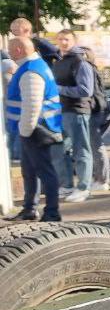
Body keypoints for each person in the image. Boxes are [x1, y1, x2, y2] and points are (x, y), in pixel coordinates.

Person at [5, 36, 62, 222]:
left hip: (35, 130)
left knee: (45, 171)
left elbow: (32, 105)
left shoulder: (31, 71)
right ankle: (29, 209)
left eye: (10, 48)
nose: (8, 52)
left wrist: (24, 132)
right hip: (33, 130)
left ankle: (52, 213)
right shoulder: (30, 67)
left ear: (19, 50)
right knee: (29, 171)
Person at [51, 30, 94, 203]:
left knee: (81, 151)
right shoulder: (59, 62)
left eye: (67, 39)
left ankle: (84, 188)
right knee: (59, 149)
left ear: (74, 41)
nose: (63, 42)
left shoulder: (80, 62)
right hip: (60, 111)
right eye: (60, 39)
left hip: (77, 111)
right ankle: (66, 185)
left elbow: (86, 90)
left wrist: (59, 89)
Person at [79, 47, 110, 192]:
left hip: (94, 110)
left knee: (95, 144)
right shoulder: (91, 68)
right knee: (92, 145)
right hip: (95, 108)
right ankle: (98, 177)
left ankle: (102, 179)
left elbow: (90, 92)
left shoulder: (87, 69)